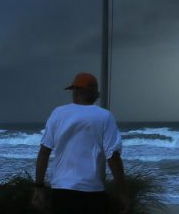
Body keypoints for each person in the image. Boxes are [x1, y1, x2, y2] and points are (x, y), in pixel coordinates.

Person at [31, 72, 129, 214]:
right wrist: (123, 193)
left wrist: (39, 187)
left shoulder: (58, 113)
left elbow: (44, 152)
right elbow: (113, 157)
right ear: (95, 93)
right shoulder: (104, 116)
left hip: (62, 190)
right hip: (92, 191)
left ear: (76, 91)